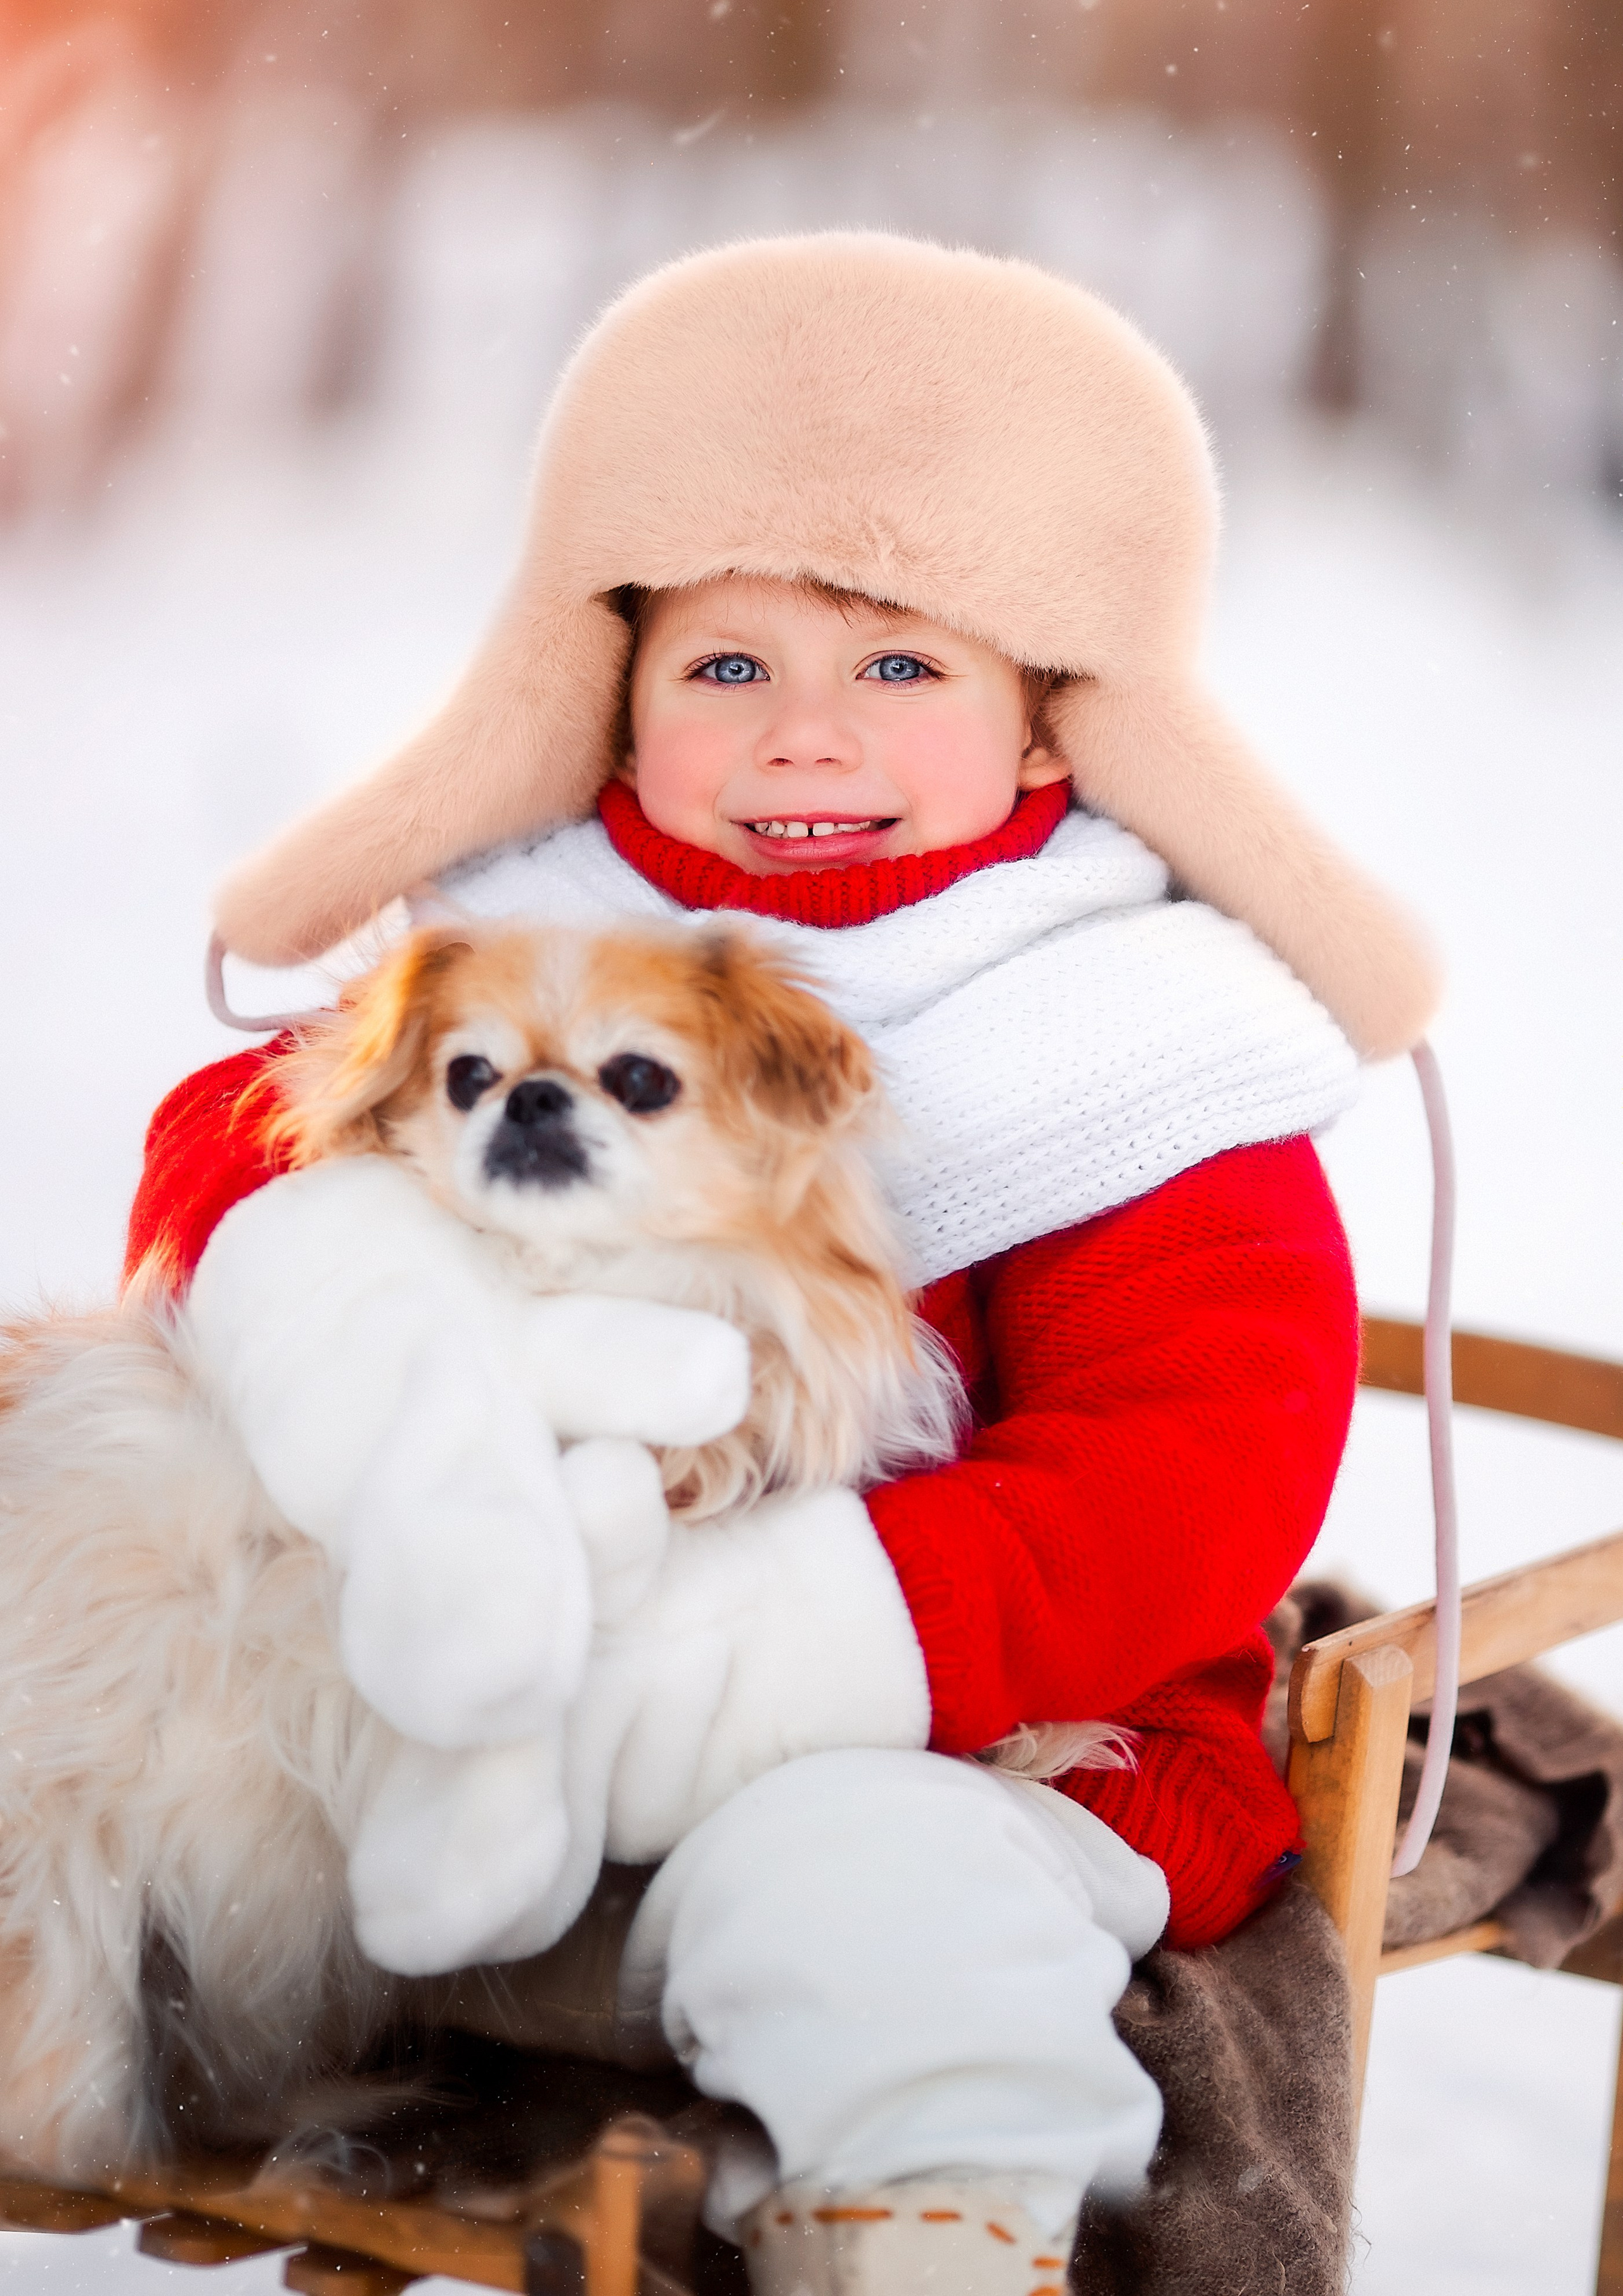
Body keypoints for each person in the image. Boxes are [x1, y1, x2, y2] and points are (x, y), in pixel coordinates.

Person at [125, 235, 1439, 2295]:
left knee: (859, 1892)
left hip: (959, 1721)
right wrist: (327, 1297)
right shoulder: (532, 948)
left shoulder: (1130, 1051)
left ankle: (936, 2222)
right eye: (727, 667)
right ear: (612, 703)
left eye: (902, 665)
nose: (805, 740)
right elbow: (244, 1152)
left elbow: (1191, 1465)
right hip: (467, 1709)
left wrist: (762, 1658)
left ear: (1046, 731)